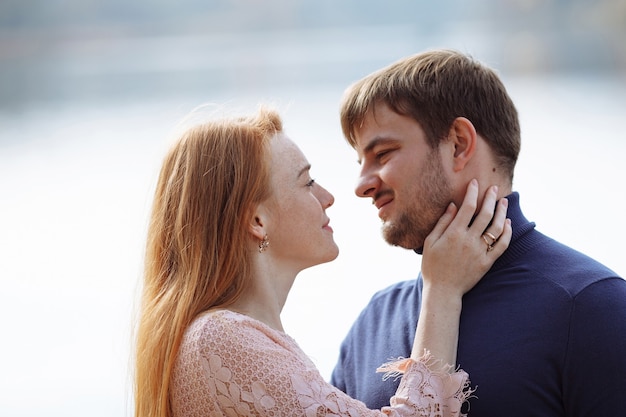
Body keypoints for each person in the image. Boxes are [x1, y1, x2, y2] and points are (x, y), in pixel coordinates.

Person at [133, 106, 512, 417]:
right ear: (257, 220)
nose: (328, 197)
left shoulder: (228, 339)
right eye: (307, 182)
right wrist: (442, 290)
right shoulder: (221, 341)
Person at [330, 49, 626, 417]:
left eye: (383, 154)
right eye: (360, 161)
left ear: (458, 144)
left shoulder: (593, 306)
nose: (361, 185)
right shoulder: (373, 323)